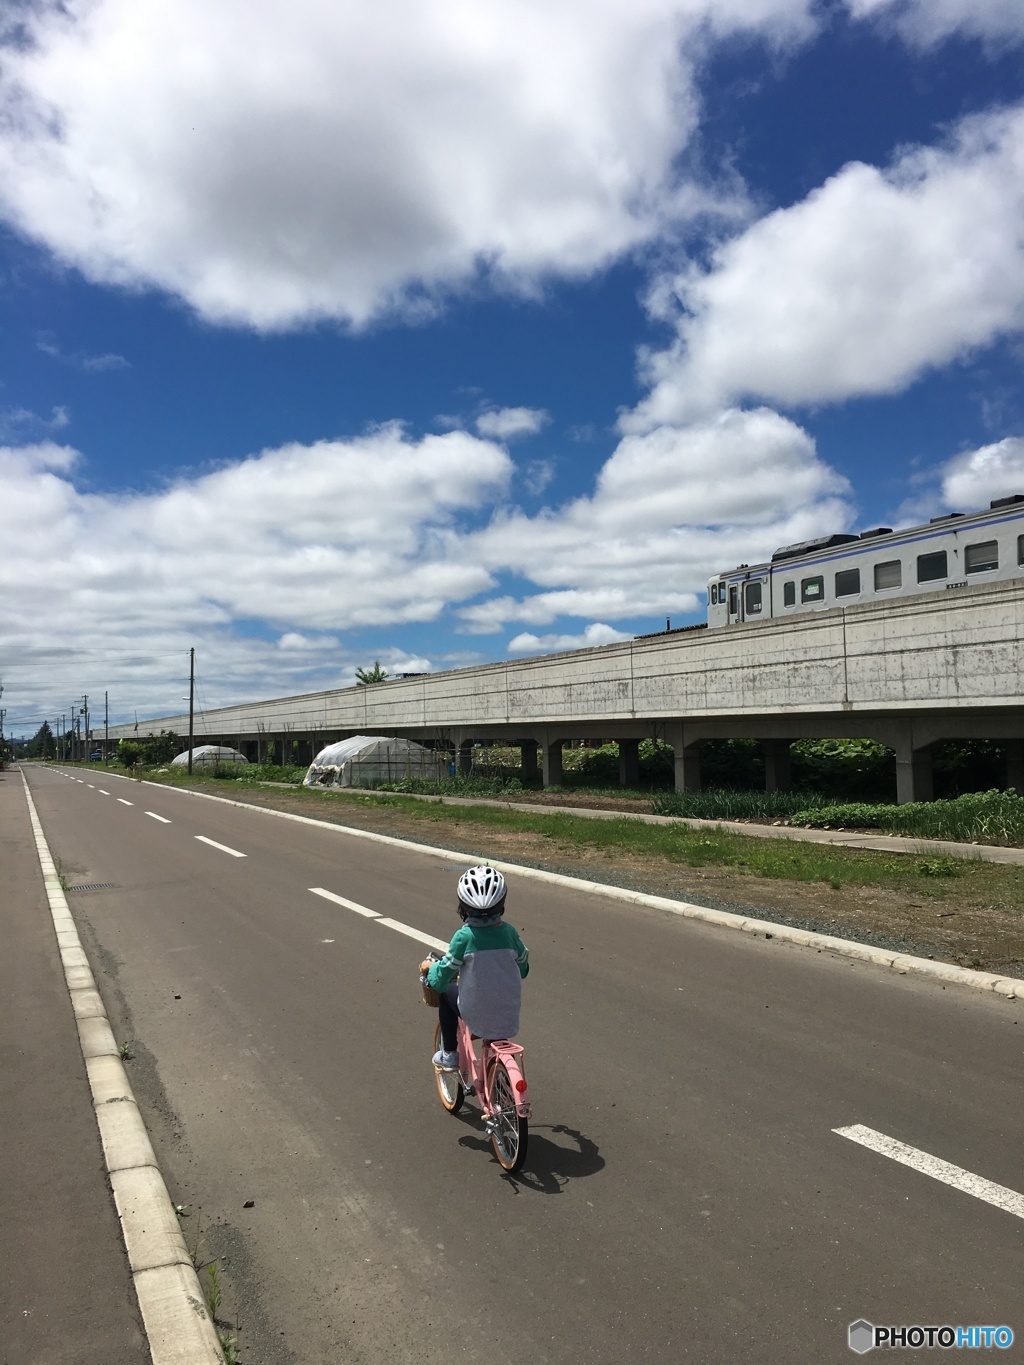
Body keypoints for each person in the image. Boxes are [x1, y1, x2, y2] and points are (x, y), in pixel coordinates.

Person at [420, 865, 529, 1070]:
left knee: (446, 994)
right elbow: (523, 966)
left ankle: (449, 1054)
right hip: (508, 1012)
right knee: (497, 1025)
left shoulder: (464, 937)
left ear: (463, 907)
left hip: (475, 1011)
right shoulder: (509, 933)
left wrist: (431, 971)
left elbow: (443, 975)